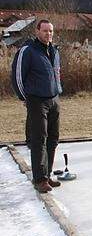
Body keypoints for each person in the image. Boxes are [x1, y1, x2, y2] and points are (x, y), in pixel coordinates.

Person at [11, 19, 62, 193]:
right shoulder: (28, 50)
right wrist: (24, 97)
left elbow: (56, 73)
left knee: (53, 138)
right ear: (37, 31)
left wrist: (57, 91)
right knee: (38, 139)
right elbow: (17, 76)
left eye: (51, 31)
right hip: (36, 100)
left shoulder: (53, 50)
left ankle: (47, 175)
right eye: (45, 31)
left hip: (53, 99)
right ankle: (39, 179)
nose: (48, 34)